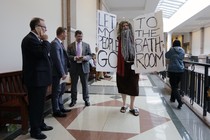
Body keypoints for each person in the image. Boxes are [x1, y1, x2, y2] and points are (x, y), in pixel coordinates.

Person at [21, 17, 53, 139]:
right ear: (37, 28)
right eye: (44, 27)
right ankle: (35, 130)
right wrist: (45, 41)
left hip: (40, 78)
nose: (45, 30)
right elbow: (42, 54)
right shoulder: (30, 40)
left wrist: (43, 42)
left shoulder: (35, 39)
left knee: (40, 104)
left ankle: (41, 124)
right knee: (35, 105)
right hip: (35, 79)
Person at [116, 21, 139, 116]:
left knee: (133, 85)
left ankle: (132, 106)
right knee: (122, 85)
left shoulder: (135, 38)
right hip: (122, 65)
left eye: (127, 25)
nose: (125, 27)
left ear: (129, 27)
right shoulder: (118, 39)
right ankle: (124, 104)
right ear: (121, 28)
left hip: (133, 65)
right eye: (123, 26)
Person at [67, 30, 92, 107]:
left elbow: (90, 55)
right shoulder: (70, 46)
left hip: (84, 67)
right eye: (78, 36)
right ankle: (73, 100)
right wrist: (74, 58)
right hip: (74, 67)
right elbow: (67, 56)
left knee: (85, 85)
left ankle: (86, 100)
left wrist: (84, 57)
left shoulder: (86, 45)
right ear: (75, 36)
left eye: (81, 36)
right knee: (73, 85)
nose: (80, 38)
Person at [50, 27, 71, 117]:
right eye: (66, 33)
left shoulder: (60, 43)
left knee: (61, 90)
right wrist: (62, 73)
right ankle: (56, 110)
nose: (66, 35)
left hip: (63, 72)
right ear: (62, 33)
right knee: (56, 92)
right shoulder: (55, 44)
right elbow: (57, 60)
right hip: (58, 73)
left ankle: (61, 107)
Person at [165, 39, 185, 109]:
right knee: (176, 85)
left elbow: (166, 56)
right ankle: (172, 98)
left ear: (173, 44)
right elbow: (182, 58)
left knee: (174, 86)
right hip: (181, 70)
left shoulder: (172, 49)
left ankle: (180, 101)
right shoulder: (182, 50)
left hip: (173, 70)